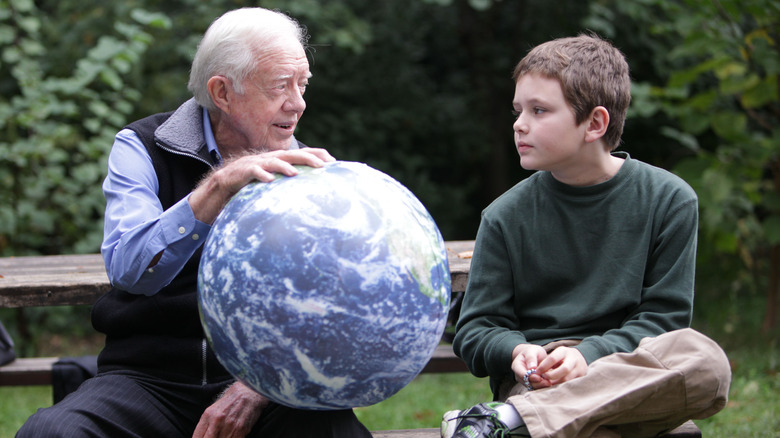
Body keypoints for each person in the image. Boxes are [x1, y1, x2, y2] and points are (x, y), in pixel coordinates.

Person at [17, 8, 372, 438]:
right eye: (281, 86)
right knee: (53, 432)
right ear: (222, 93)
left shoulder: (310, 174)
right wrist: (217, 188)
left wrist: (258, 386)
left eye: (302, 84)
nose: (297, 103)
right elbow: (131, 271)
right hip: (147, 379)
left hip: (262, 383)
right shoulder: (141, 147)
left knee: (332, 429)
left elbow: (336, 309)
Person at [440, 35, 731, 438]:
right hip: (540, 378)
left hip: (630, 368)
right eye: (518, 110)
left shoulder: (669, 199)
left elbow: (665, 322)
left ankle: (509, 423)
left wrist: (590, 355)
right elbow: (476, 330)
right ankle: (527, 416)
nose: (519, 124)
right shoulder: (504, 216)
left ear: (594, 123)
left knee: (706, 362)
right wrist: (517, 351)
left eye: (539, 110)